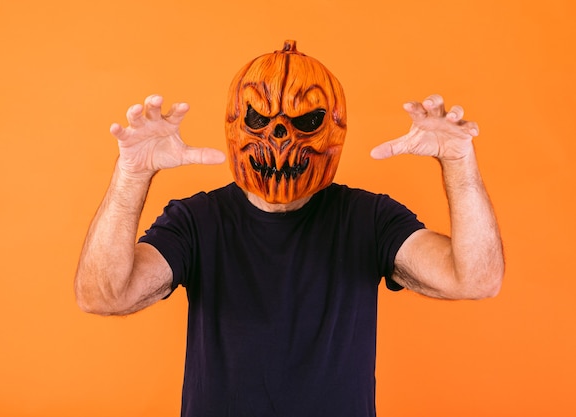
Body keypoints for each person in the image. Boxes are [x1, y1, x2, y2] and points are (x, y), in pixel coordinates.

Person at [75, 42, 504, 417]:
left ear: (336, 128)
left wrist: (459, 161)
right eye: (259, 119)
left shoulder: (369, 219)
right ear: (233, 123)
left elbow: (476, 278)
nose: (280, 138)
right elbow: (103, 294)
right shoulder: (196, 220)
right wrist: (132, 175)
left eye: (307, 120)